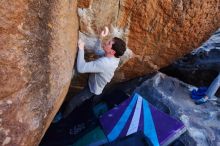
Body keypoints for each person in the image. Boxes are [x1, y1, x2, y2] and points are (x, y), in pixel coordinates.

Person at [55, 27, 126, 120]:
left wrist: (81, 49)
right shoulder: (114, 57)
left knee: (73, 102)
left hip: (92, 89)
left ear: (112, 52)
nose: (106, 42)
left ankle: (62, 117)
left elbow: (81, 68)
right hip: (93, 79)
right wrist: (101, 37)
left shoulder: (105, 63)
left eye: (109, 43)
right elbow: (98, 51)